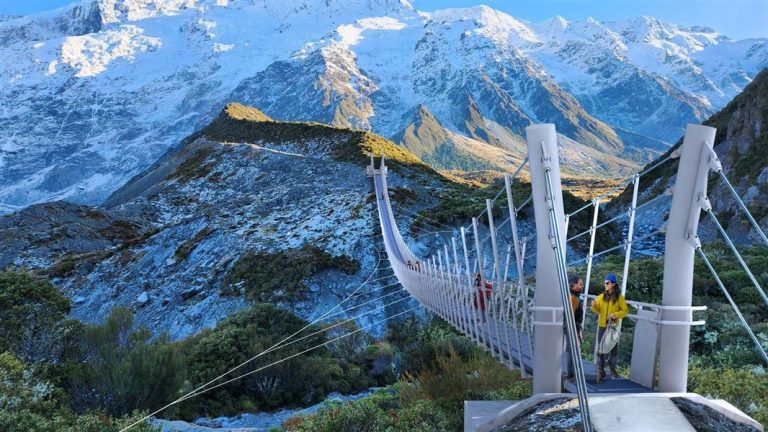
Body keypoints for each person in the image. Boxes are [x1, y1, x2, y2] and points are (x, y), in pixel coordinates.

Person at [590, 273, 628, 384]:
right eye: (605, 283)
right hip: (602, 326)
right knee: (601, 349)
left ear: (613, 284)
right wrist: (593, 306)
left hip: (613, 327)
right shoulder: (601, 297)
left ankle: (612, 369)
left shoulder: (620, 298)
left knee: (614, 349)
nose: (605, 285)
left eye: (607, 283)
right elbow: (598, 311)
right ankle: (600, 371)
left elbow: (625, 311)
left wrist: (615, 315)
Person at [564, 274, 584, 383]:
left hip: (572, 326)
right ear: (573, 285)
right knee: (572, 350)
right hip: (572, 327)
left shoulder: (573, 296)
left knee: (572, 350)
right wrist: (574, 331)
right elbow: (569, 315)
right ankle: (570, 375)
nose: (582, 286)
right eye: (580, 284)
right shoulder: (572, 298)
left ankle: (571, 374)